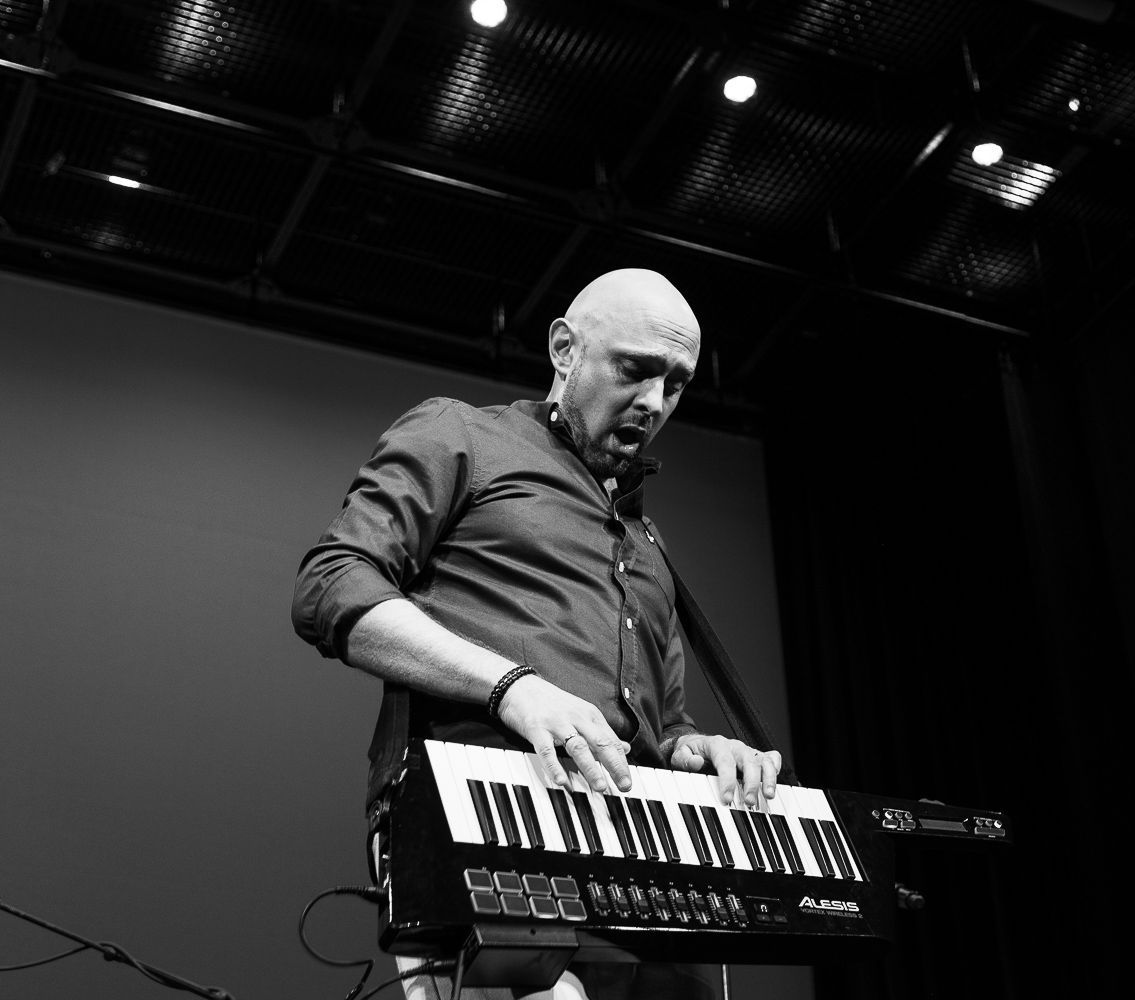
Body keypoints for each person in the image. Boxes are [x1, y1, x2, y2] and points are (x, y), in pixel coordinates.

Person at [291, 268, 783, 1000]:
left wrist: (698, 750)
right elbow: (332, 584)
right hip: (487, 814)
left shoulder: (648, 542)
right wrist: (513, 689)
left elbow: (664, 723)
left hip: (641, 850)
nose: (654, 403)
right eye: (635, 370)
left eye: (675, 385)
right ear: (564, 349)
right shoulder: (461, 433)